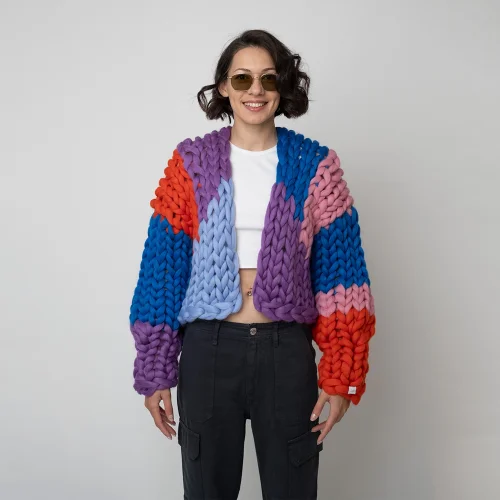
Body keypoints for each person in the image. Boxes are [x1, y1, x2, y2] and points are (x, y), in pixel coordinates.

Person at [129, 29, 376, 500]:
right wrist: (155, 365)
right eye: (242, 78)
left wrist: (342, 371)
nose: (255, 90)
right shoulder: (191, 164)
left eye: (268, 78)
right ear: (224, 87)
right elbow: (162, 272)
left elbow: (343, 279)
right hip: (208, 350)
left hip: (286, 353)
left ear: (283, 86)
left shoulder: (315, 166)